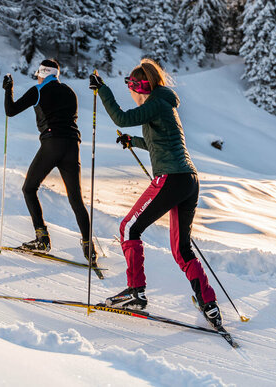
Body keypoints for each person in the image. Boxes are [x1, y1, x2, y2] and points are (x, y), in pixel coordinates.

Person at [88, 59, 222, 328]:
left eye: (132, 91)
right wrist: (133, 141)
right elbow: (160, 143)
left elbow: (121, 118)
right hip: (188, 181)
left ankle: (135, 292)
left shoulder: (153, 104)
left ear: (140, 88)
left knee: (128, 229)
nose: (133, 97)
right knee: (182, 249)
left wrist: (102, 90)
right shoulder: (164, 103)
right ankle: (209, 305)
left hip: (170, 179)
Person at [3, 59, 95, 262]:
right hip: (72, 146)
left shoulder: (38, 90)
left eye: (38, 74)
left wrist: (8, 89)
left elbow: (10, 111)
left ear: (42, 74)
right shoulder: (70, 92)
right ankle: (89, 247)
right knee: (75, 198)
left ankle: (41, 238)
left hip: (52, 144)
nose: (37, 76)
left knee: (29, 188)